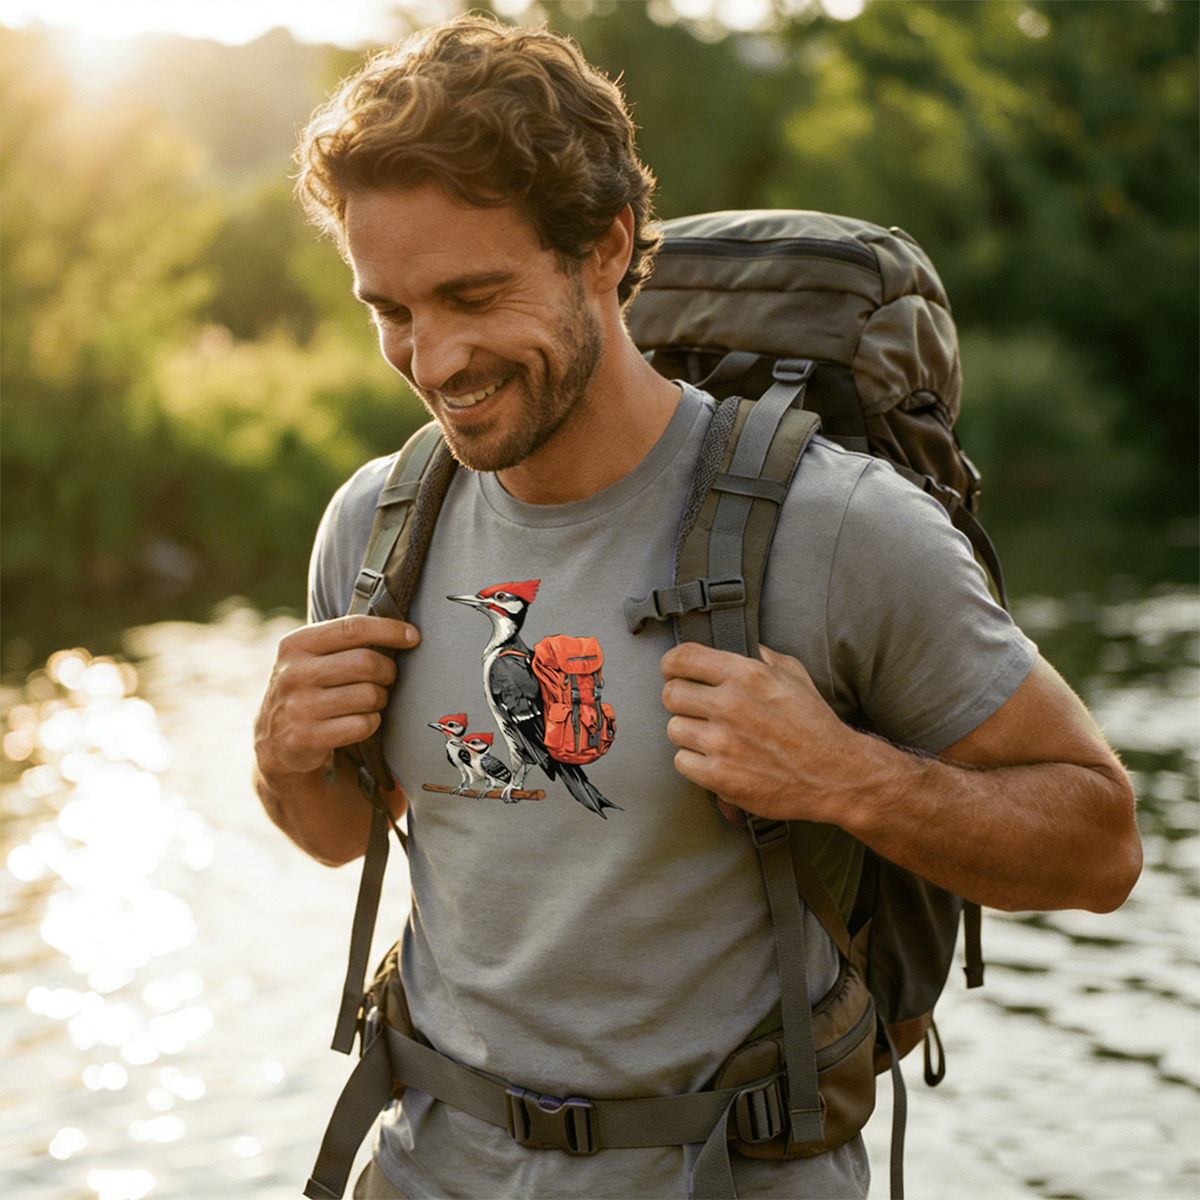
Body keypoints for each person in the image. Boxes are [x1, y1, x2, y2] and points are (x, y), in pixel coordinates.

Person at [253, 15, 1142, 1199]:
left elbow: (1101, 843)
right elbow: (334, 836)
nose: (434, 357)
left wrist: (849, 778)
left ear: (606, 248)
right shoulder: (375, 526)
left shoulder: (838, 529)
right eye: (392, 309)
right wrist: (279, 761)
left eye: (474, 293)